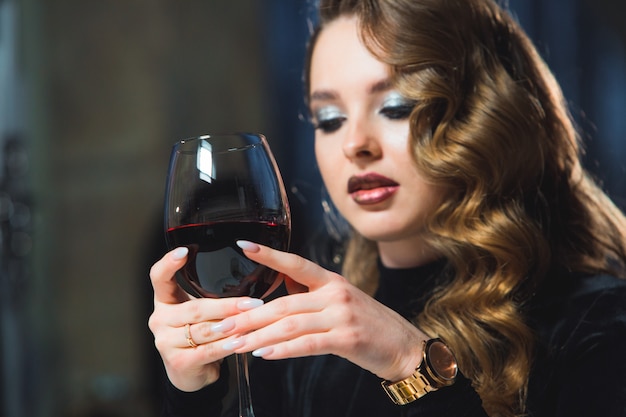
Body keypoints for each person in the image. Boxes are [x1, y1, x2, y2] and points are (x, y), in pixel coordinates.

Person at [148, 0, 626, 416]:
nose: (355, 144)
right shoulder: (301, 334)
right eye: (329, 119)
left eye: (396, 107)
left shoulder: (598, 325)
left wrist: (410, 363)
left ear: (484, 117)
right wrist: (194, 395)